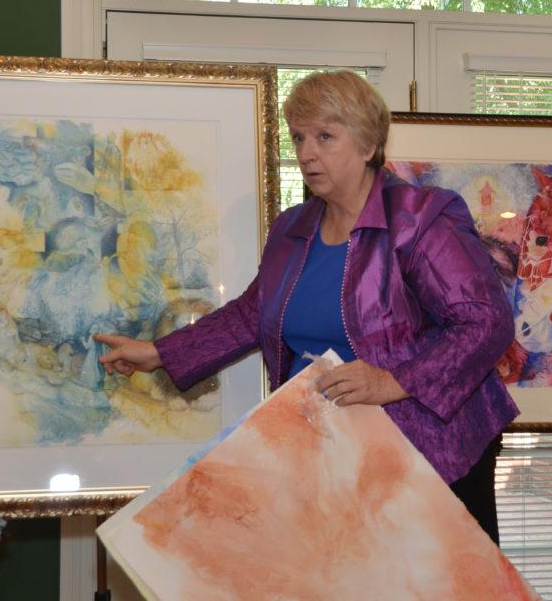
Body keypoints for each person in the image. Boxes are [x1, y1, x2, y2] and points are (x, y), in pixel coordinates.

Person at [94, 70, 519, 544]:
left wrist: (390, 380)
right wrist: (158, 353)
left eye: (324, 136)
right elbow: (251, 314)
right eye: (298, 137)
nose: (306, 153)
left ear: (367, 145)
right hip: (326, 452)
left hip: (431, 455)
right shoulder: (292, 228)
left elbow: (486, 321)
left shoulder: (421, 219)